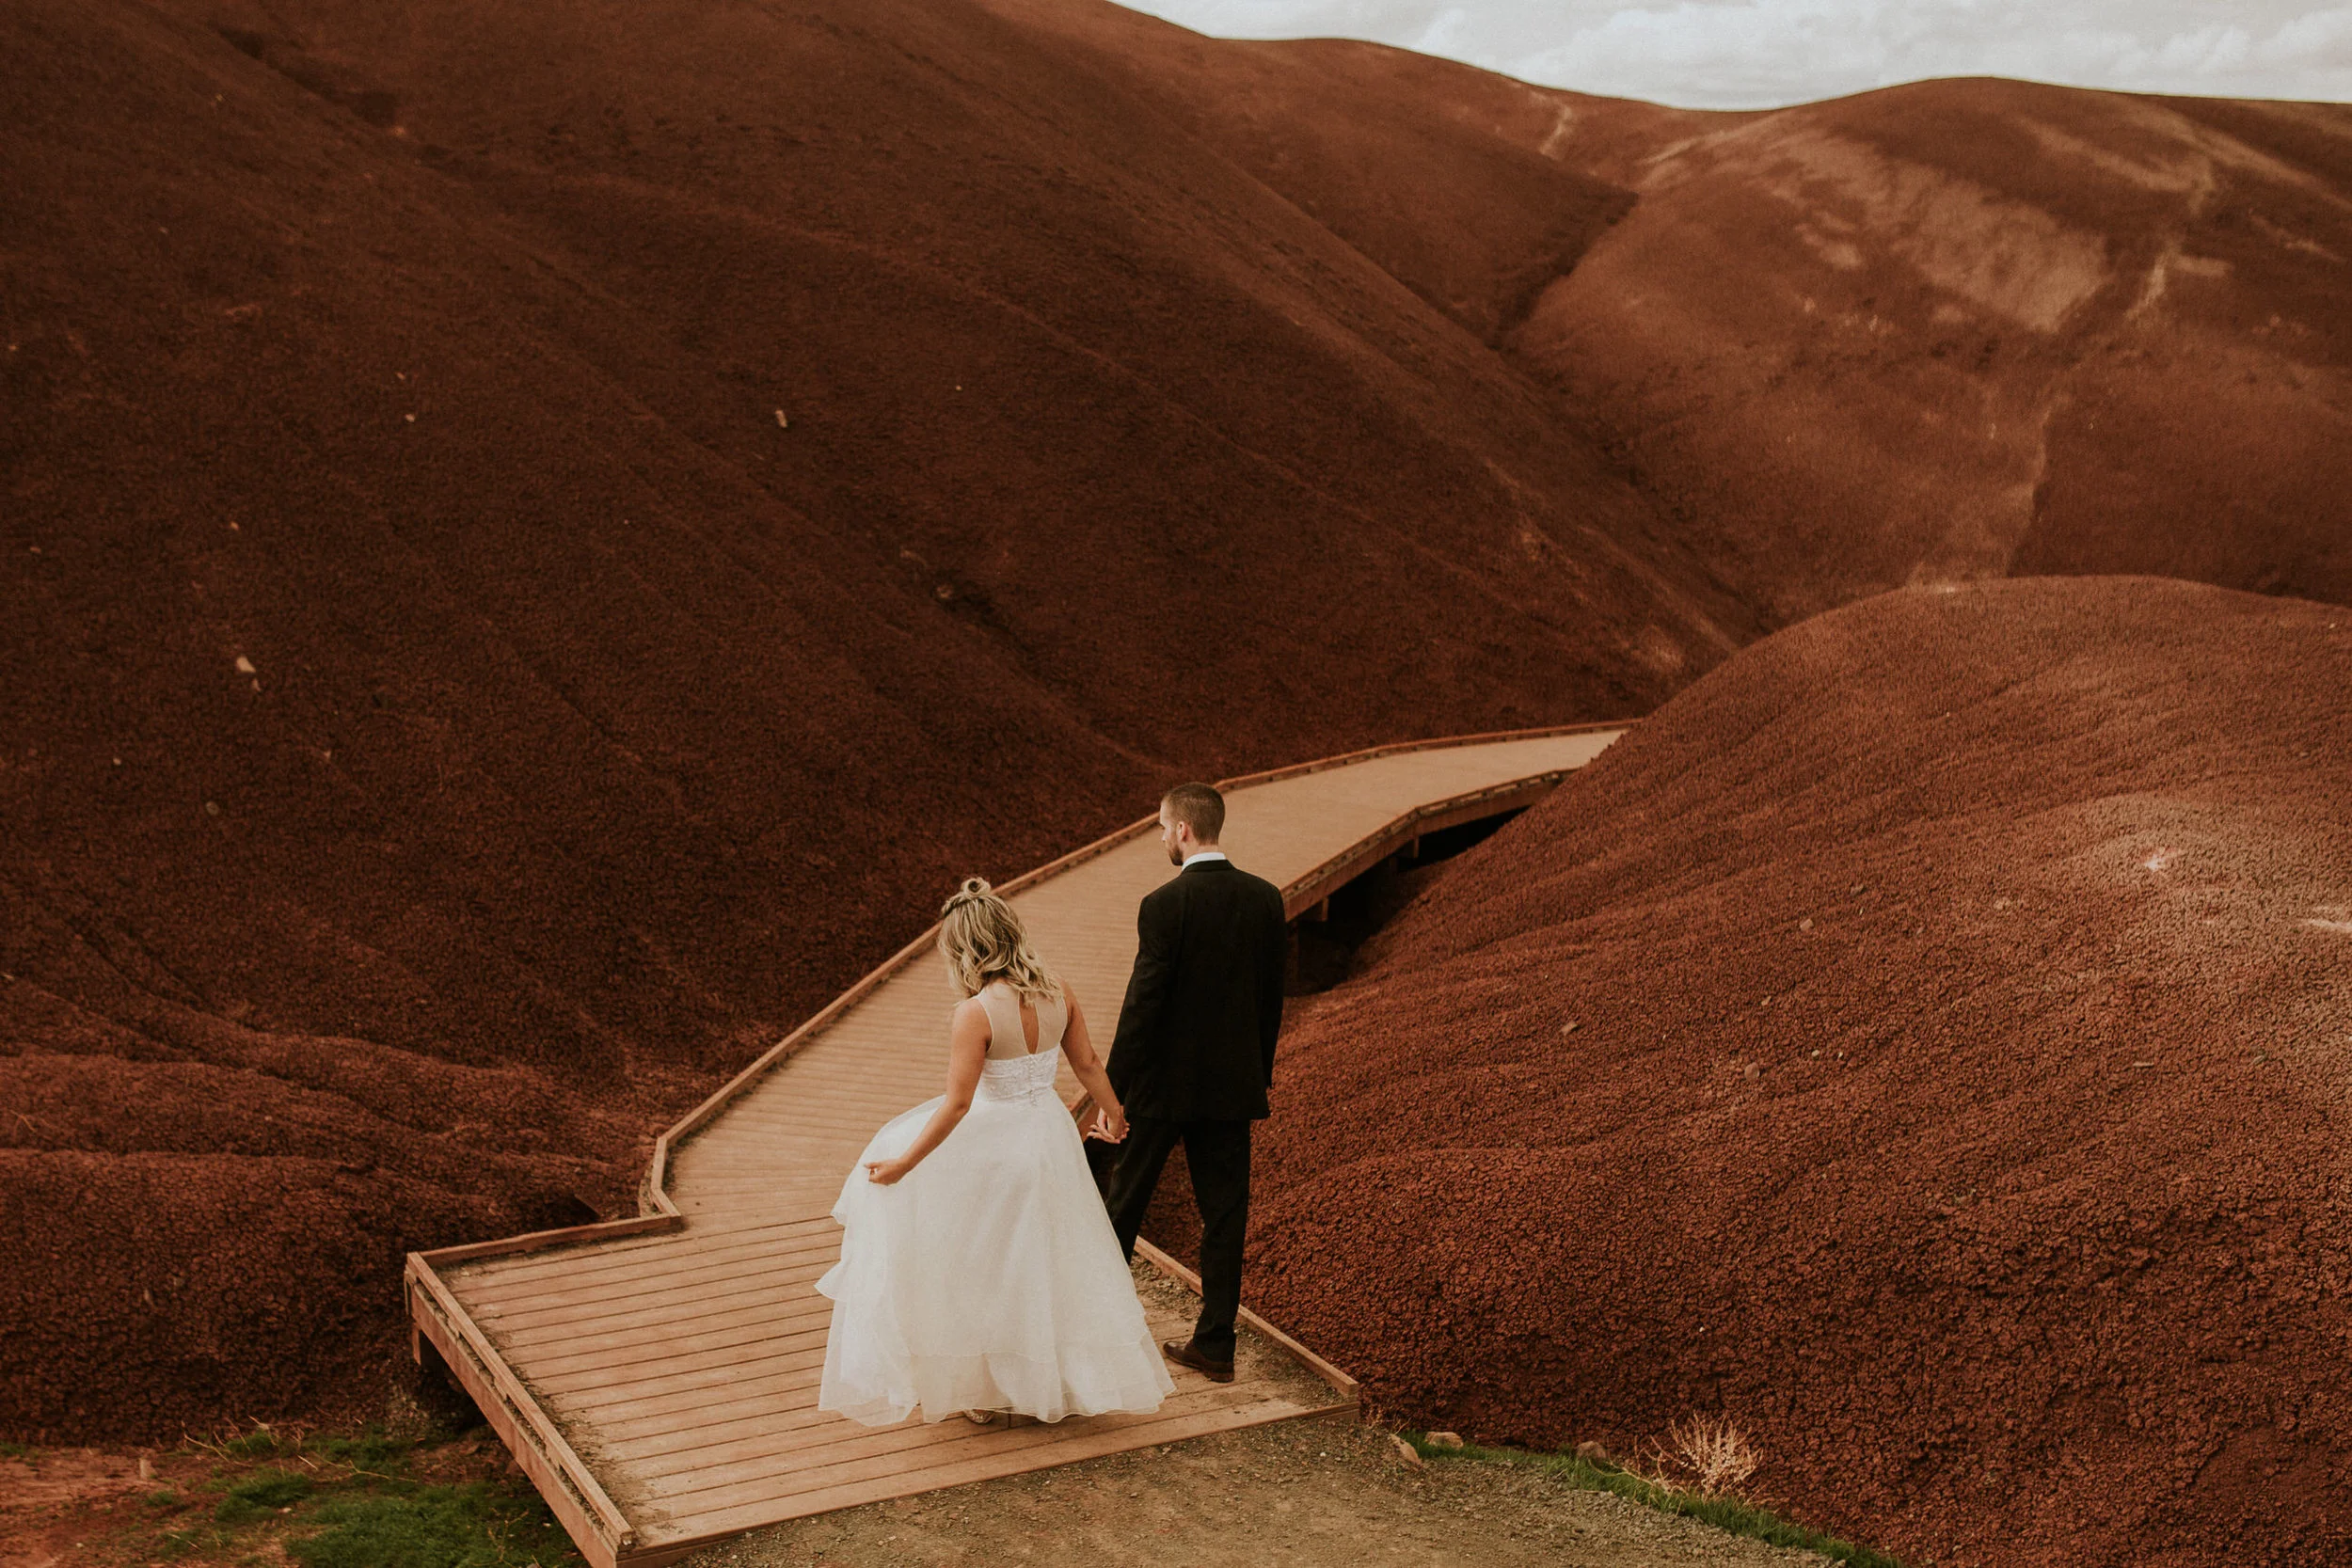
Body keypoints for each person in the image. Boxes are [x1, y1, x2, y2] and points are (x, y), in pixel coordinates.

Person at [816, 878, 1175, 1427]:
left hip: (992, 1146)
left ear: (966, 948)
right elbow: (1089, 1066)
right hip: (1048, 1137)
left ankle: (983, 1388)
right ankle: (1051, 1378)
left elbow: (958, 1106)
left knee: (980, 1261)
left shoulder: (975, 1013)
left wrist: (905, 1163)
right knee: (1045, 1257)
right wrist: (1116, 1114)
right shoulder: (1060, 991)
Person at [1100, 782, 1288, 1384]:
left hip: (1159, 1089)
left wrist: (1111, 1093)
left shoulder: (1163, 905)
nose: (1161, 837)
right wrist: (1257, 1071)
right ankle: (1215, 1347)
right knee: (1224, 1217)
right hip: (1231, 1089)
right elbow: (1269, 1001)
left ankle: (1095, 1338)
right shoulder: (1265, 900)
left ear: (1183, 830)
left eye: (1161, 827)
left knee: (1119, 1211)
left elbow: (1142, 1006)